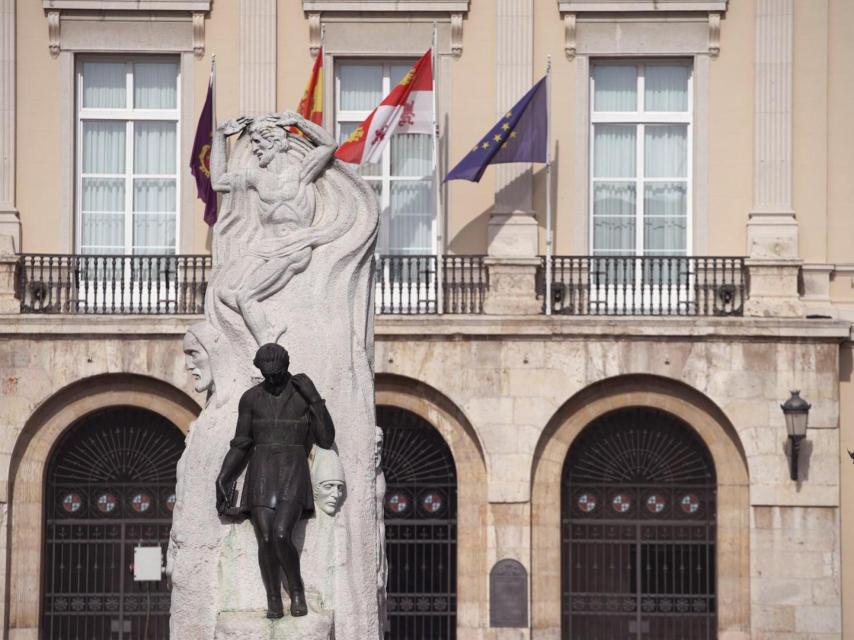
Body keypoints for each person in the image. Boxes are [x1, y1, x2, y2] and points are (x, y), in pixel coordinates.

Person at [216, 343, 335, 618]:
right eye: (267, 375)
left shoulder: (302, 394)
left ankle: (296, 590)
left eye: (277, 374)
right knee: (266, 538)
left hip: (293, 469)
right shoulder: (250, 398)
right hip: (261, 471)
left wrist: (316, 399)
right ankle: (272, 598)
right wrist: (224, 476)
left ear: (286, 368)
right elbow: (241, 443)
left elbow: (326, 439)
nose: (273, 380)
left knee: (282, 534)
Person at [209, 112, 337, 346]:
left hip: (293, 245)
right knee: (225, 292)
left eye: (259, 142)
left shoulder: (301, 173)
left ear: (276, 142)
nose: (255, 149)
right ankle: (268, 325)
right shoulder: (257, 178)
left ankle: (267, 347)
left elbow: (329, 144)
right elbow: (218, 182)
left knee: (245, 296)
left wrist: (299, 122)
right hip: (266, 247)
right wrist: (219, 137)